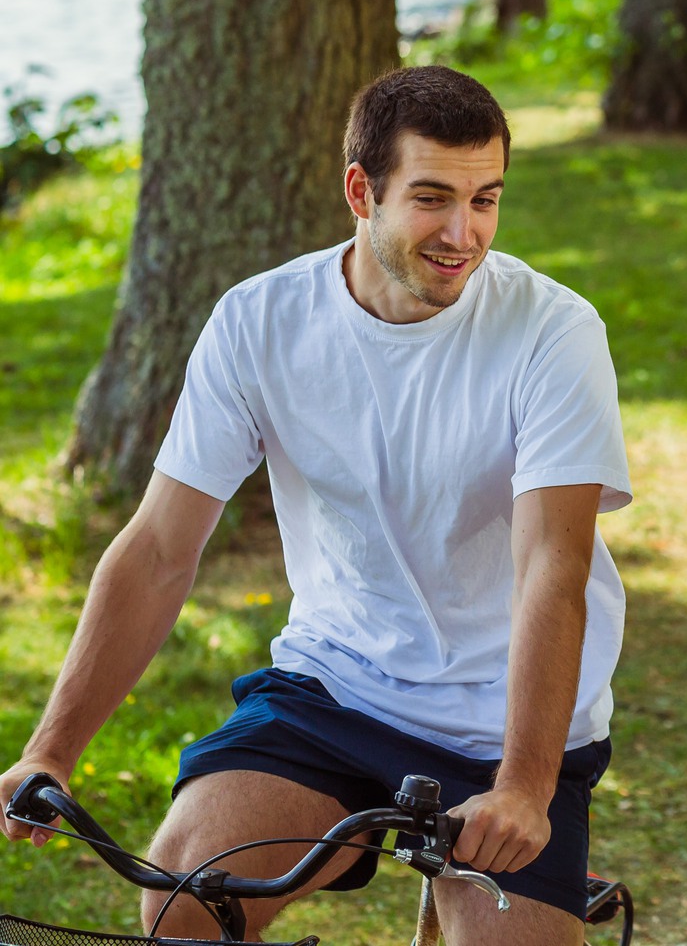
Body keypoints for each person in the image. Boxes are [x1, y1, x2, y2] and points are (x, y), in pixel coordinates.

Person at [0, 66, 632, 945]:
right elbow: (158, 549)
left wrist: (525, 787)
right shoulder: (259, 322)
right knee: (187, 899)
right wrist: (52, 750)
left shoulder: (552, 333)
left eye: (486, 199)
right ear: (359, 191)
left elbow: (551, 571)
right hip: (339, 687)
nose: (465, 233)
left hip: (505, 721)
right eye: (433, 198)